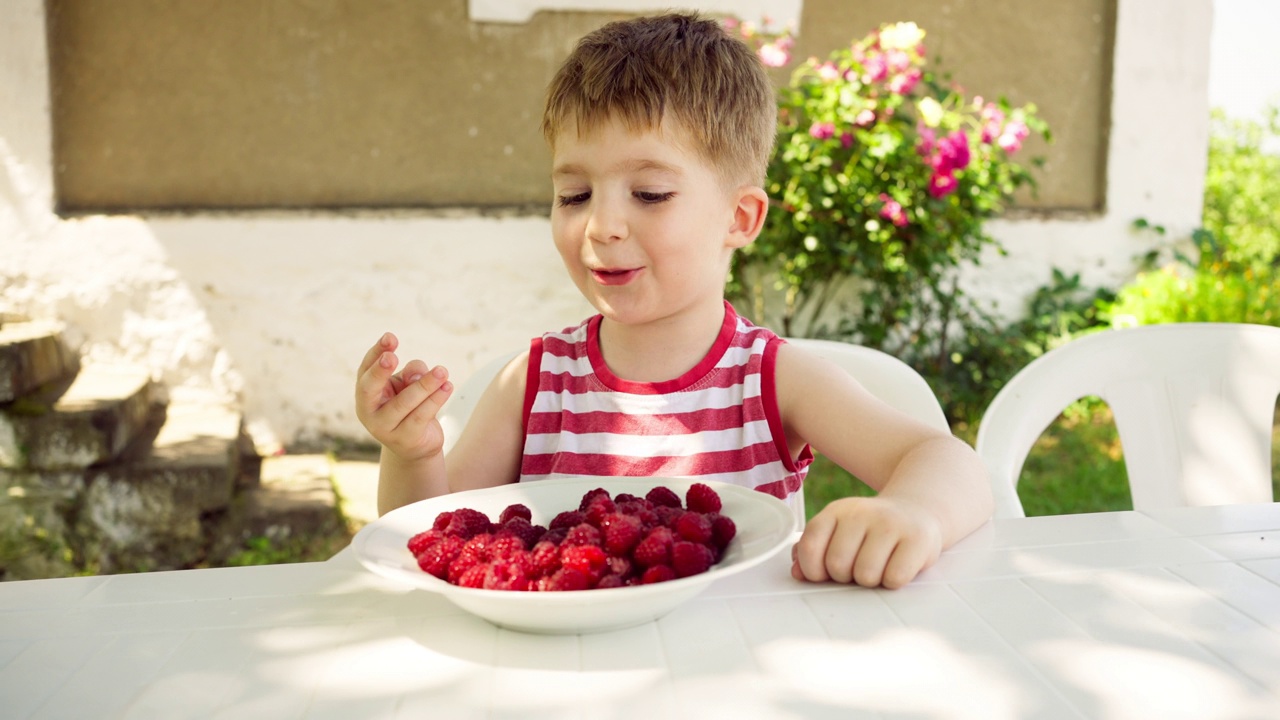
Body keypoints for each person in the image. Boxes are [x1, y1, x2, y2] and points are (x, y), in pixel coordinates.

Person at [354, 12, 993, 589]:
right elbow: (435, 538)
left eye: (651, 193)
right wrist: (413, 453)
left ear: (739, 218)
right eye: (574, 195)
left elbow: (945, 461)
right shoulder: (536, 382)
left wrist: (911, 512)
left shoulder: (770, 381)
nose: (601, 225)